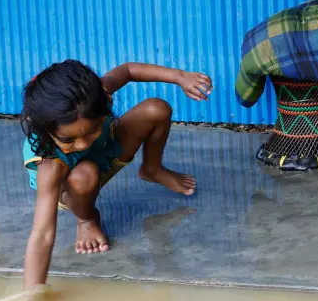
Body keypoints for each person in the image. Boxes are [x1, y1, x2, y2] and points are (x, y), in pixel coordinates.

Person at [20, 60, 212, 286]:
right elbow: (41, 234)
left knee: (156, 108)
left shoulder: (95, 97)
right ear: (46, 129)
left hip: (106, 152)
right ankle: (87, 220)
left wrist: (180, 76)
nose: (82, 144)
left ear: (103, 107)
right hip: (71, 187)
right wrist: (32, 295)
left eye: (91, 131)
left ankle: (152, 169)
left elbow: (129, 70)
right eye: (68, 139)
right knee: (84, 175)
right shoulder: (49, 165)